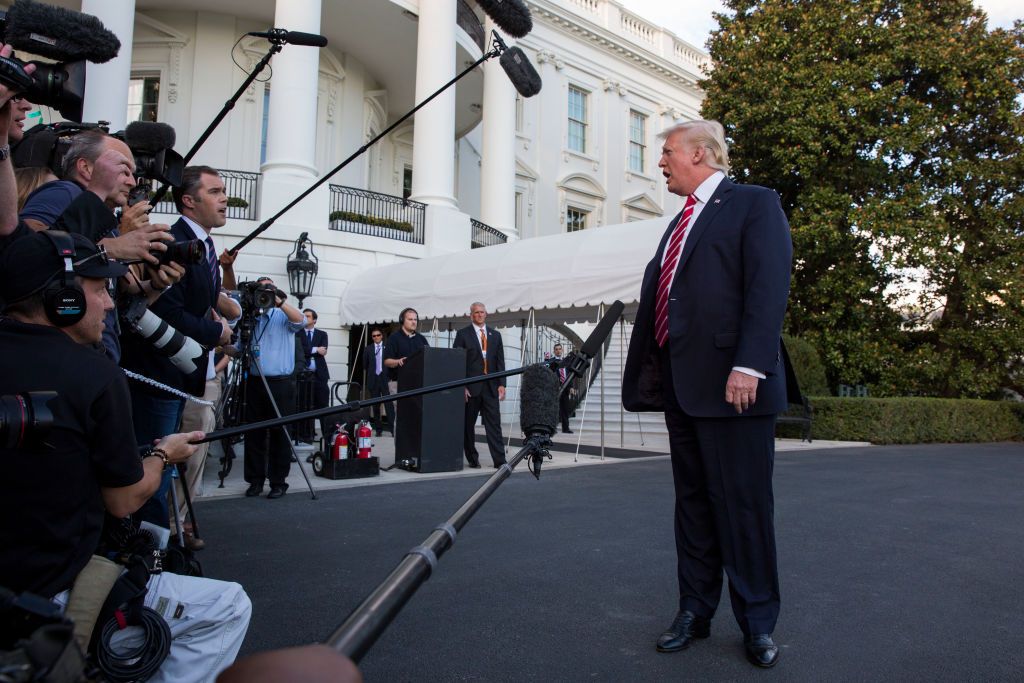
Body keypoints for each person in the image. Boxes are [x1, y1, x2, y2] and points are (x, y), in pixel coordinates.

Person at [0, 231, 251, 682]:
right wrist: (163, 453)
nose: (111, 304)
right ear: (64, 300)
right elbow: (124, 500)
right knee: (228, 604)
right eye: (98, 291)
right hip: (48, 594)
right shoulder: (95, 374)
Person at [621, 120, 795, 669]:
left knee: (742, 507)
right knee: (693, 508)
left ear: (700, 154)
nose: (661, 163)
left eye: (668, 152)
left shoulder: (753, 203)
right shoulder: (678, 224)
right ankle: (695, 611)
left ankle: (758, 623)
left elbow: (769, 286)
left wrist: (748, 365)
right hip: (682, 386)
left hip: (734, 387)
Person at [120, 165, 236, 531]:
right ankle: (150, 557)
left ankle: (164, 542)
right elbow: (163, 308)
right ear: (189, 200)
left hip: (178, 375)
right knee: (154, 466)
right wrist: (216, 333)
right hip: (157, 376)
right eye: (215, 191)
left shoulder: (204, 243)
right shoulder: (174, 240)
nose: (225, 198)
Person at [242, 276, 304, 499]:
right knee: (254, 434)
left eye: (269, 289)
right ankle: (255, 481)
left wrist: (279, 302)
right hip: (256, 382)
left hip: (280, 384)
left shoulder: (281, 315)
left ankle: (278, 482)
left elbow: (301, 321)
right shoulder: (251, 317)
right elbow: (239, 348)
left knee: (280, 434)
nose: (264, 293)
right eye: (261, 289)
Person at [452, 302, 507, 468]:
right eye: (476, 312)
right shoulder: (462, 335)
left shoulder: (495, 335)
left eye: (482, 312)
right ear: (471, 315)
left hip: (491, 387)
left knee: (494, 425)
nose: (479, 315)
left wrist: (502, 384)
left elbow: (500, 362)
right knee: (468, 426)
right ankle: (472, 459)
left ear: (486, 314)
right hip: (471, 387)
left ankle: (500, 460)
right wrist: (462, 386)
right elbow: (457, 362)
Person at [382, 307, 429, 431]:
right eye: (410, 319)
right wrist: (398, 361)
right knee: (403, 416)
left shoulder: (421, 339)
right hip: (398, 383)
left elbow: (429, 358)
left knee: (417, 417)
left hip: (418, 383)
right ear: (402, 320)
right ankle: (401, 449)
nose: (414, 322)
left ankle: (414, 449)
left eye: (415, 319)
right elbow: (387, 361)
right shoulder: (394, 338)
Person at [299, 308, 330, 440]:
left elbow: (323, 351)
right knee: (304, 405)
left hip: (319, 375)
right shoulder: (298, 333)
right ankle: (306, 434)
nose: (305, 318)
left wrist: (312, 350)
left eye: (308, 316)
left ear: (314, 320)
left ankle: (327, 436)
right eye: (303, 316)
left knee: (323, 405)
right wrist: (315, 349)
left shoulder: (322, 334)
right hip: (302, 375)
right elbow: (300, 350)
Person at [362, 327, 393, 436]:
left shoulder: (388, 348)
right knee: (375, 407)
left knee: (389, 405)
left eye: (378, 335)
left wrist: (389, 375)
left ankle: (392, 430)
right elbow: (365, 365)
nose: (376, 337)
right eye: (374, 336)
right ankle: (378, 430)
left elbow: (391, 363)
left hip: (385, 379)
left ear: (382, 336)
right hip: (373, 379)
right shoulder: (368, 349)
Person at [550, 343, 574, 434]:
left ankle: (566, 428)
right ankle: (552, 428)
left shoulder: (566, 362)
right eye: (556, 349)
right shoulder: (552, 362)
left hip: (565, 389)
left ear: (562, 350)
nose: (558, 351)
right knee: (554, 409)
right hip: (556, 389)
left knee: (565, 409)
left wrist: (571, 387)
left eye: (560, 349)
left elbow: (569, 375)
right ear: (554, 351)